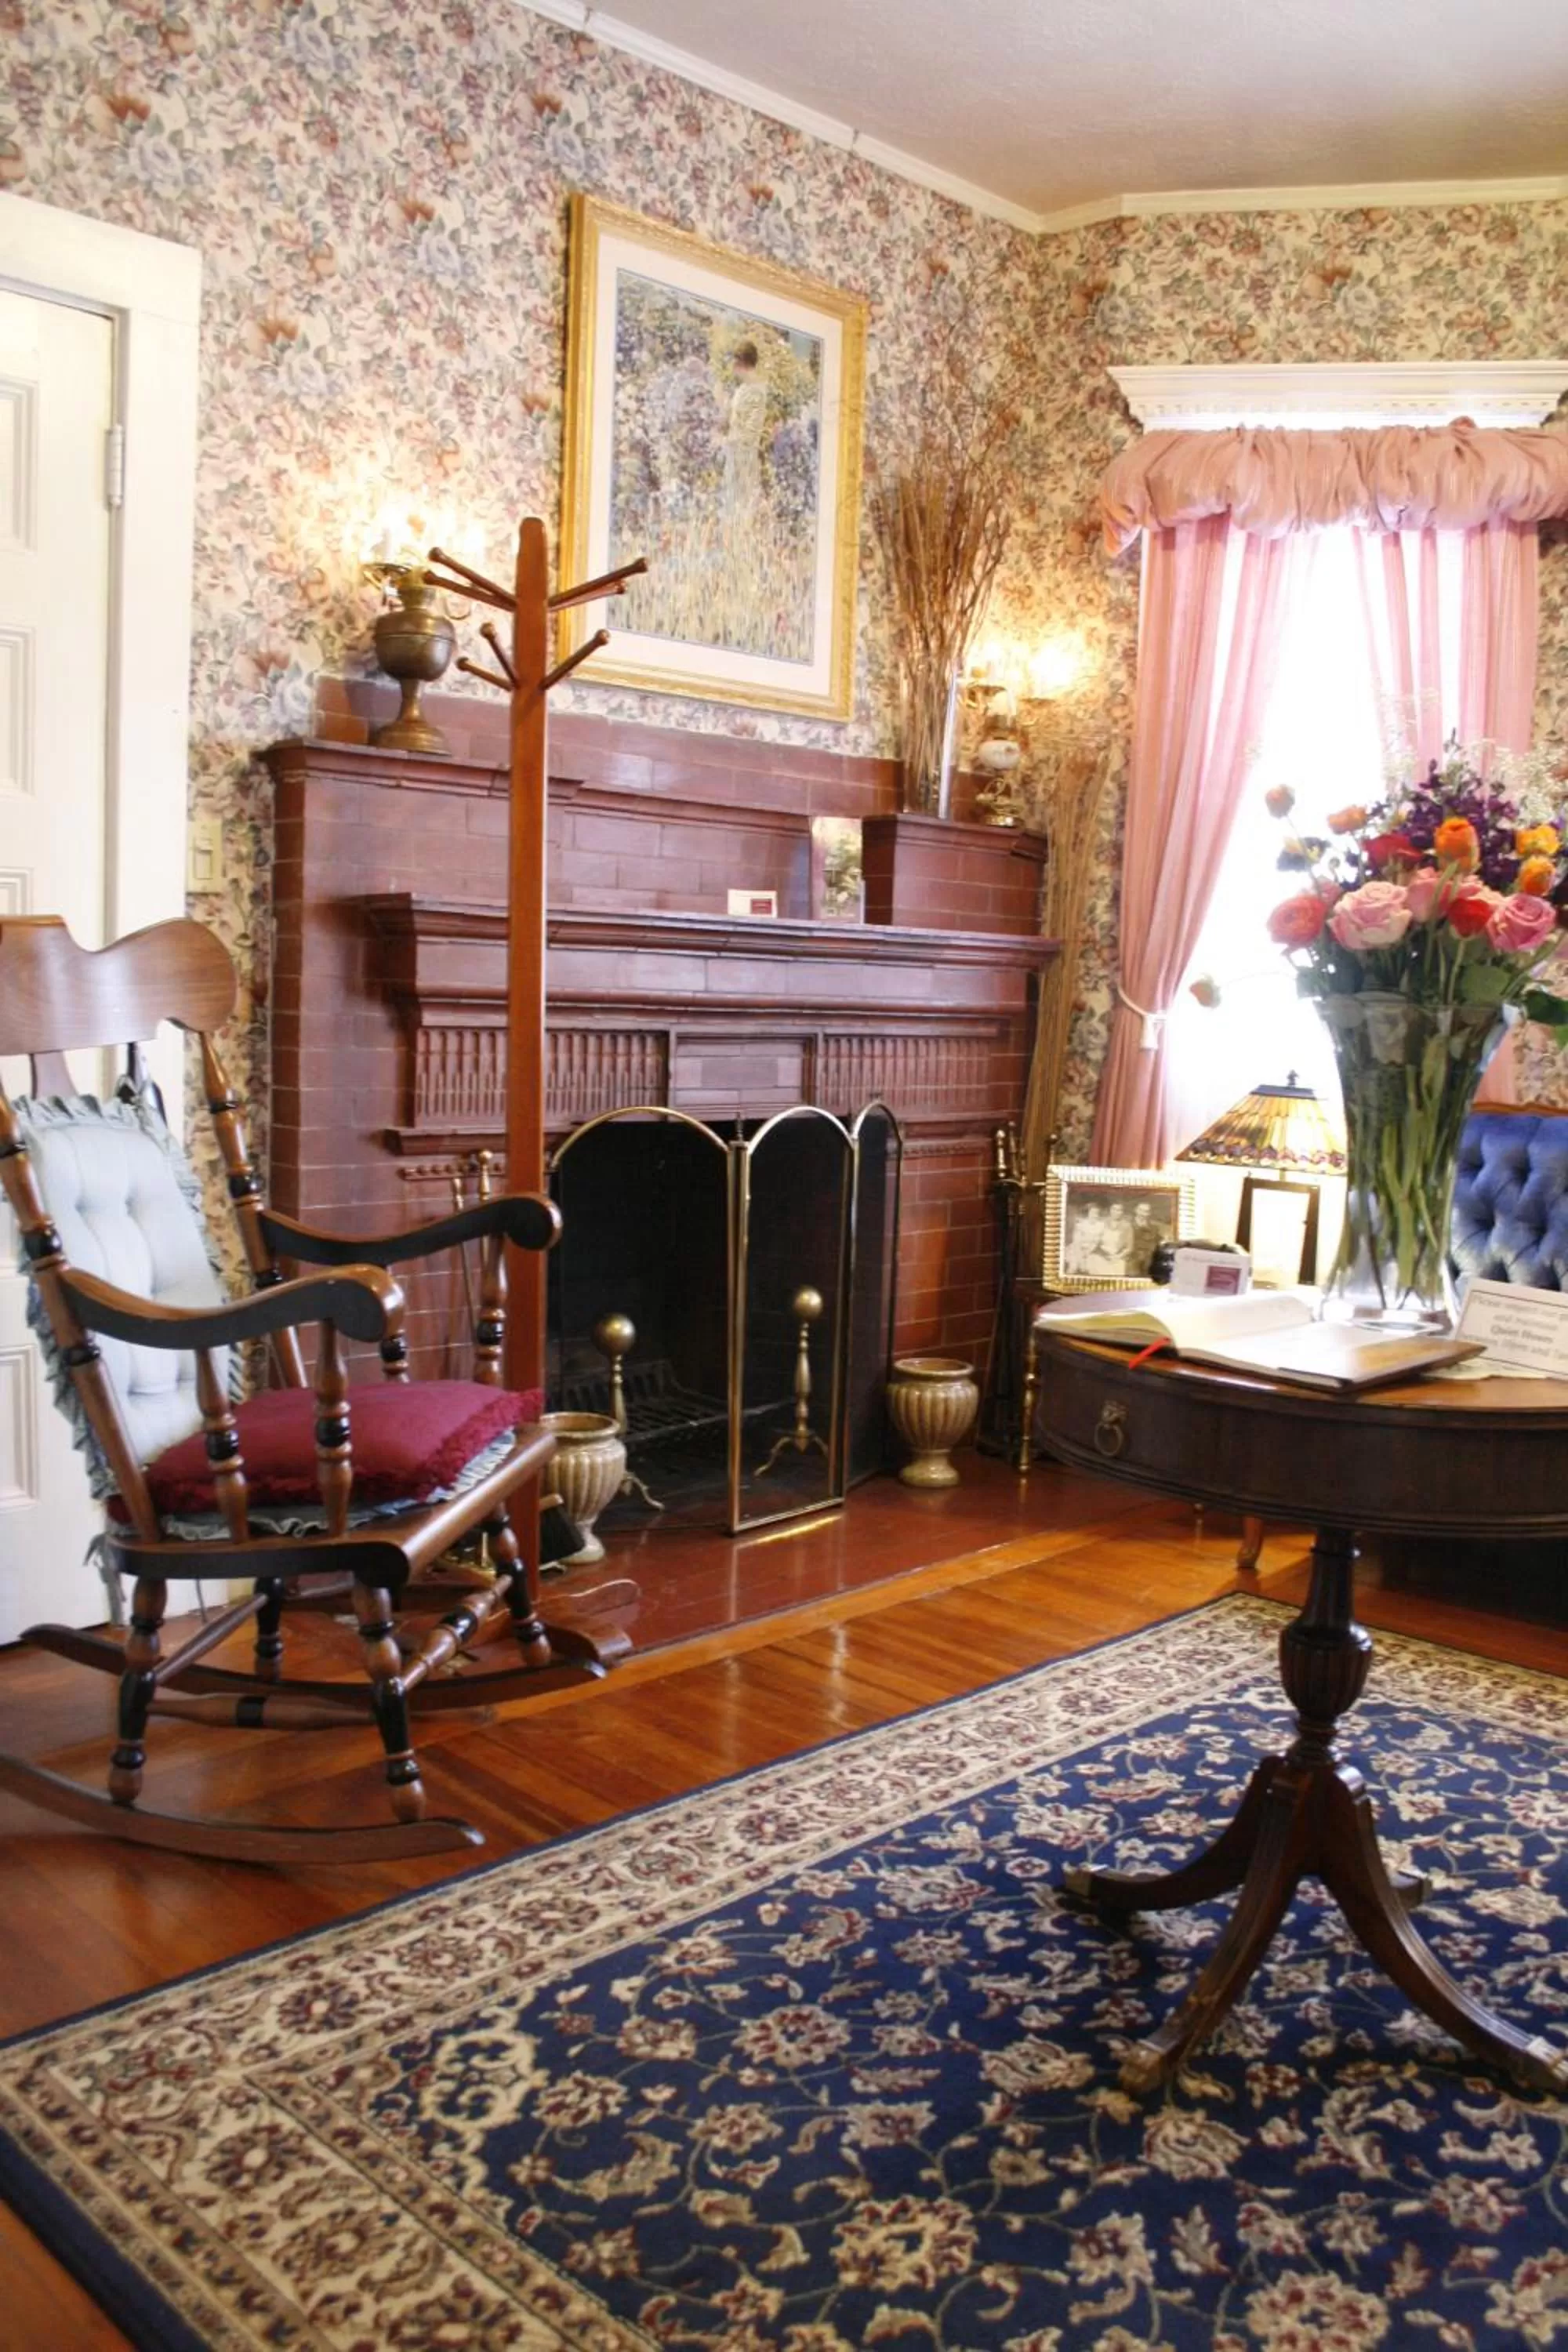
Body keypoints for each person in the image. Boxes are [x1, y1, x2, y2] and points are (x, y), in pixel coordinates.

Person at [721, 339, 768, 527]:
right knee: (731, 503)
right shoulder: (741, 389)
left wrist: (727, 440)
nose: (733, 367)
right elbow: (733, 420)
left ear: (742, 363)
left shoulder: (757, 392)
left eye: (735, 362)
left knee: (744, 504)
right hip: (734, 453)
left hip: (745, 457)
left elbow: (751, 433)